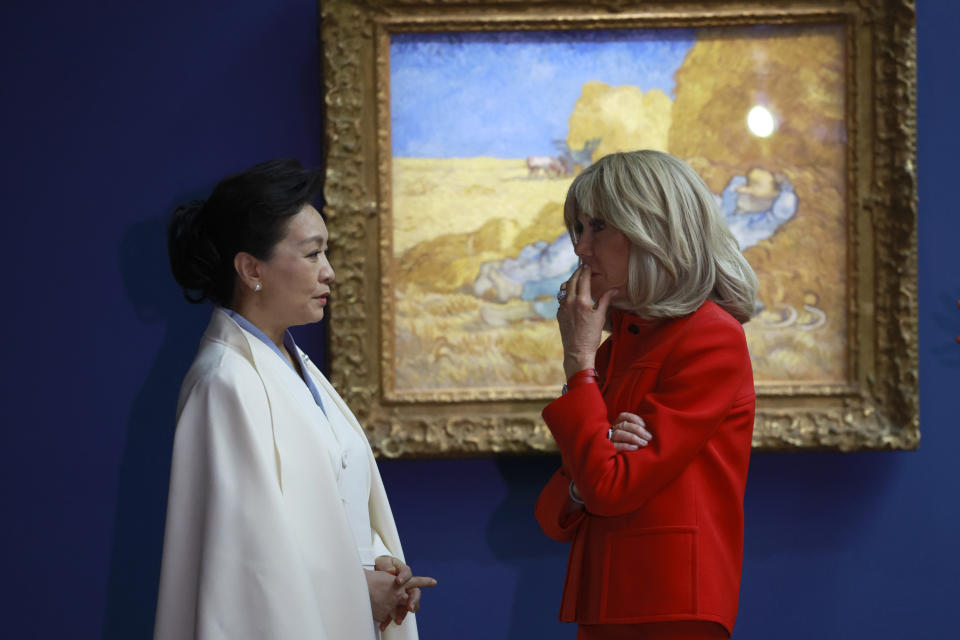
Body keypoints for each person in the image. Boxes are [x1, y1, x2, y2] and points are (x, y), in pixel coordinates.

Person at [155, 159, 435, 640]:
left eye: (325, 254)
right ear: (251, 268)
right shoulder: (225, 383)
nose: (328, 272)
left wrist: (378, 566)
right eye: (311, 255)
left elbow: (331, 501)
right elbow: (244, 565)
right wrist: (353, 588)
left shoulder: (292, 366)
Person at [535, 150, 758, 640]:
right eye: (579, 229)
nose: (581, 248)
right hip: (610, 600)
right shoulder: (621, 346)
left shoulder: (710, 335)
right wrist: (583, 480)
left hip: (670, 602)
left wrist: (578, 363)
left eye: (598, 228)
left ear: (653, 230)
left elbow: (610, 490)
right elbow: (555, 512)